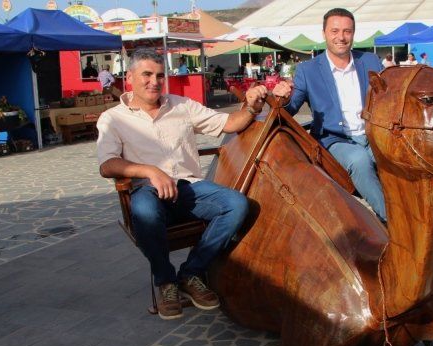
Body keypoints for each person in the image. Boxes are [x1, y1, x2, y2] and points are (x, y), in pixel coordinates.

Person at [96, 48, 292, 320]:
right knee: (143, 210)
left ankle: (191, 273)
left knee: (236, 204)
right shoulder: (113, 118)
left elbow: (230, 123)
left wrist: (250, 106)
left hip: (189, 190)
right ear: (129, 77)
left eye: (160, 75)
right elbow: (107, 165)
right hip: (148, 193)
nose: (155, 81)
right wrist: (150, 171)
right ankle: (166, 282)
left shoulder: (182, 106)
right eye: (147, 74)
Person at [283, 8, 387, 222]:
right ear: (324, 34)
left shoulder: (370, 61)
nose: (341, 37)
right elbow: (290, 108)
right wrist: (281, 98)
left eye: (347, 31)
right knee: (359, 161)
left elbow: (389, 95)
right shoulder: (308, 70)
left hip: (372, 135)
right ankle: (393, 222)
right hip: (334, 139)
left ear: (353, 34)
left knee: (403, 158)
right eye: (335, 31)